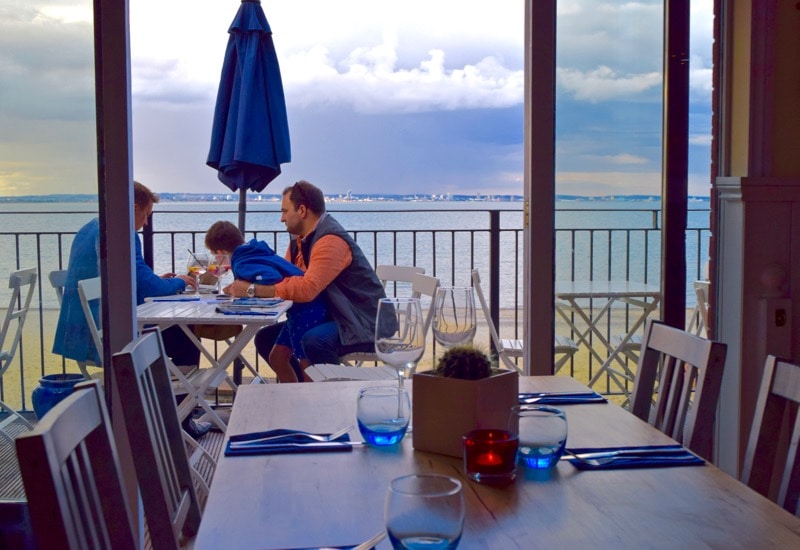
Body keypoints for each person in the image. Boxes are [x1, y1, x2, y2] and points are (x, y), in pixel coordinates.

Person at [52, 181, 211, 439]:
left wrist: (162, 281)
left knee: (175, 335)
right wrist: (179, 282)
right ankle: (181, 419)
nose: (146, 223)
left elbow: (134, 280)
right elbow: (146, 285)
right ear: (134, 207)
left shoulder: (89, 228)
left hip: (86, 331)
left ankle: (166, 412)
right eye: (146, 215)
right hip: (111, 336)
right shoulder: (122, 231)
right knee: (184, 338)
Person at [225, 180, 386, 372]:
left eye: (285, 211)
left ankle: (333, 395)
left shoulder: (330, 241)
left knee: (314, 341)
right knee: (265, 339)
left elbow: (307, 289)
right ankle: (299, 393)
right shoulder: (301, 239)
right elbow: (286, 279)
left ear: (302, 210)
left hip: (363, 322)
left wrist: (252, 290)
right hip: (337, 314)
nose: (281, 219)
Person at [205, 221, 331, 382]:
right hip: (305, 308)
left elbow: (272, 278)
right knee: (277, 357)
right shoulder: (253, 252)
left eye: (214, 255)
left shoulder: (243, 262)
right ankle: (292, 398)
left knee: (306, 364)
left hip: (307, 310)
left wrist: (250, 290)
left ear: (221, 252)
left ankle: (308, 401)